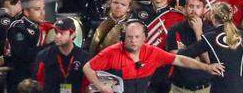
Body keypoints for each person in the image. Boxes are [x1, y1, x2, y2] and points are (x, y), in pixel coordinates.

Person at [83, 21, 225, 93]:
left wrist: (206, 67)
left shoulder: (153, 52)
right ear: (123, 38)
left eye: (137, 37)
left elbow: (180, 59)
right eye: (129, 37)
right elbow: (88, 67)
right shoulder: (111, 52)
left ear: (145, 37)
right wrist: (100, 86)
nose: (133, 40)